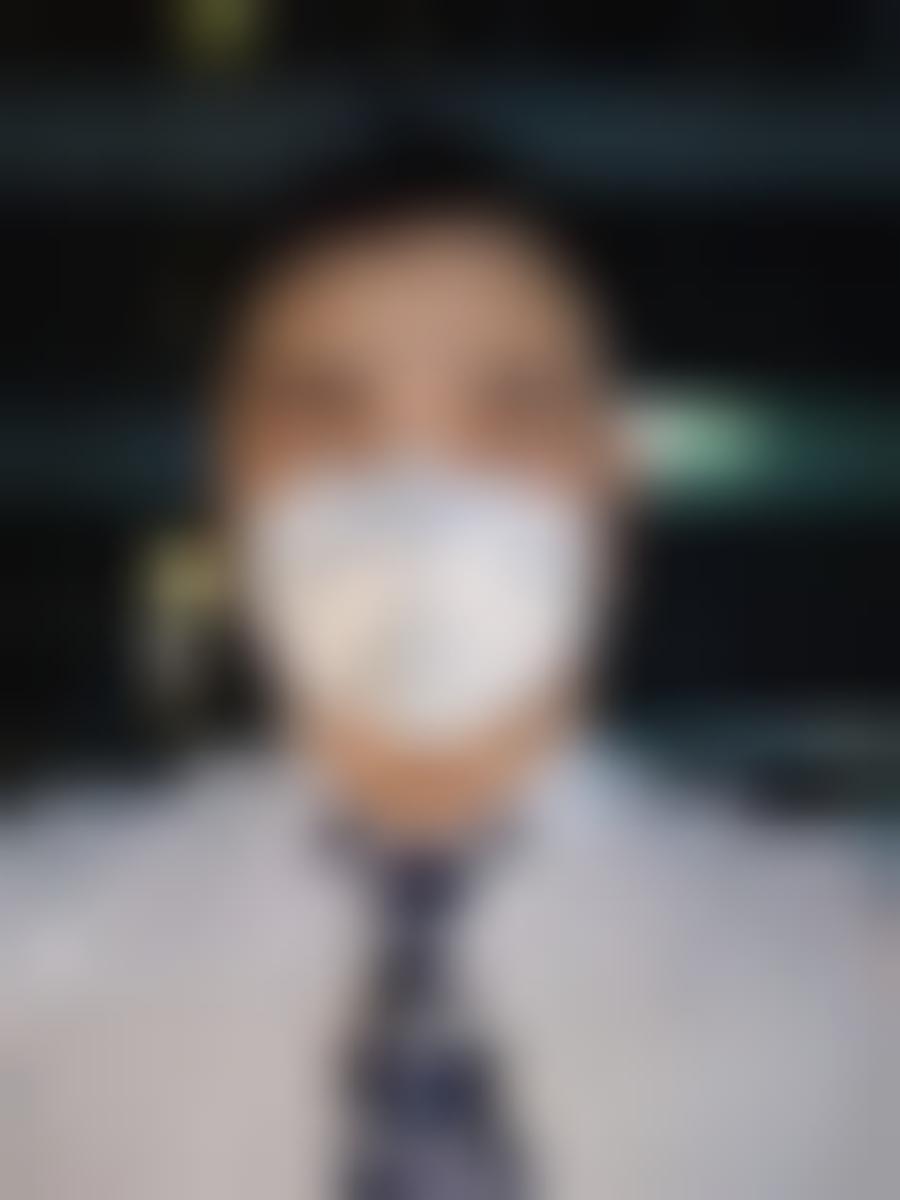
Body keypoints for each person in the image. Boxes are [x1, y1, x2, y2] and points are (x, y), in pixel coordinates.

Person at [0, 144, 891, 1200]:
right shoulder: (30, 947)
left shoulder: (854, 972)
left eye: (509, 412)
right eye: (329, 413)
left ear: (610, 491)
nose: (419, 486)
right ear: (228, 490)